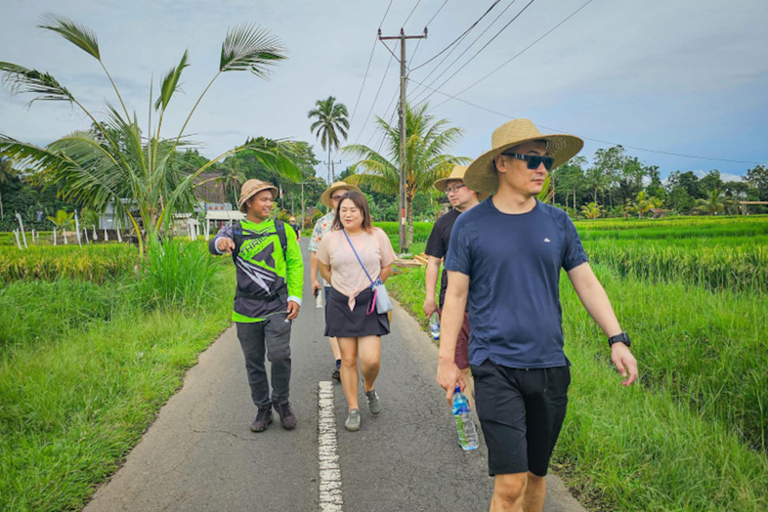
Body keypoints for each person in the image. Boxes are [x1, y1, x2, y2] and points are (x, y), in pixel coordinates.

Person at [436, 119, 638, 512]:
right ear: (502, 164)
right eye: (531, 160)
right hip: (495, 366)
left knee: (535, 477)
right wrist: (447, 361)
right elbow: (456, 295)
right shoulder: (470, 226)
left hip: (549, 366)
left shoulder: (557, 222)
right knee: (510, 484)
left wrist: (617, 339)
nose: (541, 169)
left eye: (545, 162)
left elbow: (587, 283)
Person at [208, 179, 303, 433]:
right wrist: (220, 244)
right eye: (263, 199)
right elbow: (214, 244)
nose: (269, 204)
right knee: (254, 361)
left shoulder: (283, 230)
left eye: (270, 199)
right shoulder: (234, 231)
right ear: (248, 202)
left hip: (277, 305)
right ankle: (263, 408)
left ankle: (282, 403)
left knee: (280, 355)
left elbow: (295, 264)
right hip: (246, 309)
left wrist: (295, 297)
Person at [316, 190, 396, 432]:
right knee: (348, 360)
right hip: (341, 303)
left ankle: (368, 388)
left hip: (369, 303)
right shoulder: (331, 238)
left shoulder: (377, 235)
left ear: (363, 212)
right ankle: (353, 408)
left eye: (353, 209)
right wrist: (343, 288)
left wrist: (369, 287)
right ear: (338, 213)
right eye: (343, 210)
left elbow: (387, 266)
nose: (348, 214)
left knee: (371, 360)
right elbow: (325, 269)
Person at [423, 165, 487, 399]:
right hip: (454, 305)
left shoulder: (492, 217)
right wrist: (430, 297)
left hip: (488, 304)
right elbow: (433, 261)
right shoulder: (444, 223)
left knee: (491, 365)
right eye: (448, 190)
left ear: (473, 188)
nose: (451, 193)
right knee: (460, 366)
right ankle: (469, 424)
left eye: (456, 187)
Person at [309, 181, 361, 380]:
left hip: (359, 284)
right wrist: (314, 279)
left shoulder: (360, 221)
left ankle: (352, 358)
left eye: (345, 196)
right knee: (335, 323)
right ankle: (341, 361)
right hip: (332, 282)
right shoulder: (323, 224)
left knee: (357, 321)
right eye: (337, 197)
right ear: (331, 201)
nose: (341, 200)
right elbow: (315, 253)